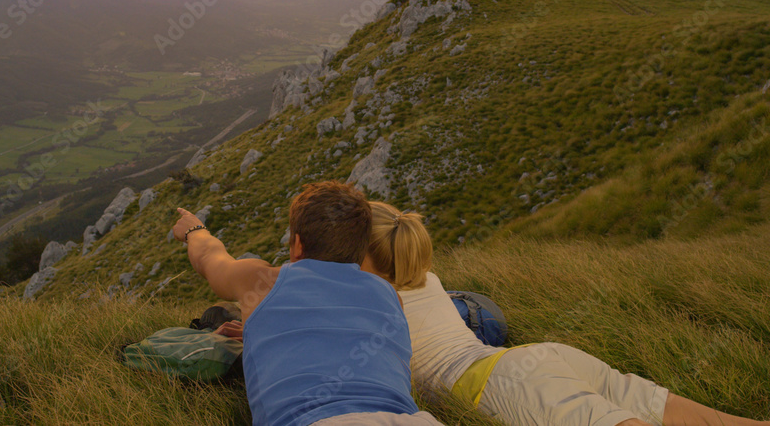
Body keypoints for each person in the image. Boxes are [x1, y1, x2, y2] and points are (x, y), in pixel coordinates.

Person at [363, 200, 770, 426]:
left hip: (496, 383)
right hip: (535, 358)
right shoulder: (425, 277)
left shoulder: (370, 300)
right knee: (655, 403)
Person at [171, 181, 442, 426]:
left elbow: (209, 257)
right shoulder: (389, 295)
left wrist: (194, 230)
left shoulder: (261, 281)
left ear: (297, 244)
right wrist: (264, 333)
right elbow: (347, 333)